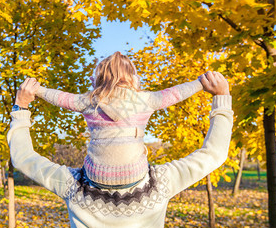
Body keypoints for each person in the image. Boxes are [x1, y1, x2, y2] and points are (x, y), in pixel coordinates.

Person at [7, 71, 233, 228]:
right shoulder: (159, 185)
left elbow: (23, 157)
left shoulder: (73, 187)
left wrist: (21, 107)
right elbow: (214, 153)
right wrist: (221, 99)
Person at [35, 51, 203, 189]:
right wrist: (200, 83)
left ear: (100, 77)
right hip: (134, 175)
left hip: (96, 176)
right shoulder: (145, 100)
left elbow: (60, 98)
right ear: (132, 77)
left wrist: (38, 90)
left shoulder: (89, 101)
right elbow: (176, 93)